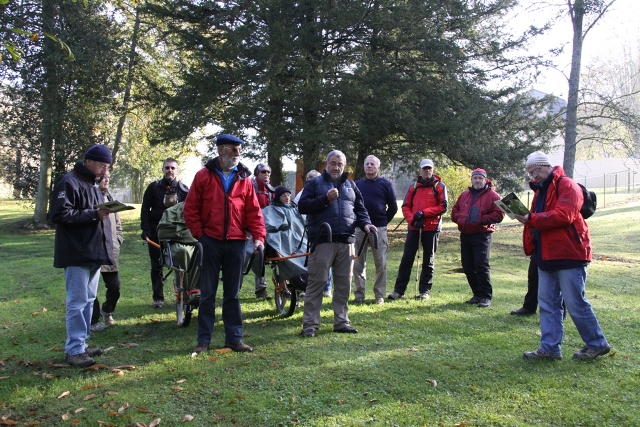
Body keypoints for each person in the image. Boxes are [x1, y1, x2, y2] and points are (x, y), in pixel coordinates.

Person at [515, 151, 610, 360]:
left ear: (546, 165)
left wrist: (531, 217)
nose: (534, 176)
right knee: (547, 303)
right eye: (531, 172)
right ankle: (549, 347)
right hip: (546, 254)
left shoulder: (567, 185)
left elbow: (563, 216)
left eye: (536, 170)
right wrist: (527, 219)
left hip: (569, 254)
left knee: (575, 302)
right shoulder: (540, 190)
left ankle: (597, 343)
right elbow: (537, 219)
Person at [183, 134, 265, 354]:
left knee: (233, 294)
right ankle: (203, 341)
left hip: (237, 242)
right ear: (221, 150)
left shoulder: (245, 179)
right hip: (210, 242)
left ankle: (234, 339)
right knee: (207, 293)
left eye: (239, 150)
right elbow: (190, 210)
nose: (238, 154)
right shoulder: (203, 176)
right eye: (233, 149)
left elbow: (254, 212)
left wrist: (259, 237)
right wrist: (201, 236)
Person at [297, 150, 376, 337]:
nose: (336, 167)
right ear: (326, 164)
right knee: (317, 282)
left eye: (340, 164)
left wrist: (365, 224)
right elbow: (303, 206)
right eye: (333, 163)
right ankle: (310, 325)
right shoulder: (315, 183)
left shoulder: (351, 185)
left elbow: (360, 209)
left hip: (347, 240)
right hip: (323, 241)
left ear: (344, 166)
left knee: (343, 284)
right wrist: (325, 199)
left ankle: (341, 321)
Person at [50, 144, 114, 367]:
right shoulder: (70, 182)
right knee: (77, 302)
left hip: (93, 251)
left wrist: (103, 196)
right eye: (101, 166)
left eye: (107, 167)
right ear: (88, 162)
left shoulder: (93, 184)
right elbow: (59, 214)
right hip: (76, 252)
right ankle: (74, 349)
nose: (104, 171)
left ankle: (81, 344)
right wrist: (94, 214)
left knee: (88, 301)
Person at [388, 159, 447, 300]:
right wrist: (413, 219)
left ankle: (424, 291)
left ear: (432, 170)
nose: (427, 171)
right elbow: (406, 207)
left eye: (429, 168)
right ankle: (398, 291)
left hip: (432, 228)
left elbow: (443, 207)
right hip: (414, 228)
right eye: (424, 168)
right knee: (407, 259)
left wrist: (424, 213)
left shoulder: (439, 186)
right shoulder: (413, 187)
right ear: (420, 170)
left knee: (428, 260)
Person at [451, 168, 504, 308]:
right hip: (465, 234)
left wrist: (480, 219)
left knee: (481, 266)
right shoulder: (464, 195)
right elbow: (455, 211)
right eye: (475, 178)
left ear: (485, 179)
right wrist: (461, 219)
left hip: (482, 234)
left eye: (480, 178)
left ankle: (486, 296)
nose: (478, 180)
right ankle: (477, 294)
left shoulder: (493, 196)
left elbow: (499, 214)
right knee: (467, 266)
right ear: (471, 179)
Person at [140, 158, 189, 308]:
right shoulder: (153, 187)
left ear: (177, 170)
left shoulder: (183, 189)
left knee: (180, 263)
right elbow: (145, 210)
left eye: (173, 168)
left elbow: (189, 212)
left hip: (176, 233)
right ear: (163, 169)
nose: (170, 170)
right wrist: (145, 229)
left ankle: (182, 293)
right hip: (155, 233)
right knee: (156, 266)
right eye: (167, 168)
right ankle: (158, 298)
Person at [352, 155, 397, 305]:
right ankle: (359, 295)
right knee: (358, 264)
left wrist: (382, 223)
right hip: (359, 229)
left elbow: (393, 207)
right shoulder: (357, 184)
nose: (369, 167)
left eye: (372, 164)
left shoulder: (385, 184)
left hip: (379, 229)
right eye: (367, 164)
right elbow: (353, 207)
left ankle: (379, 295)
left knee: (381, 263)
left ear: (378, 167)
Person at [90, 171, 123, 331]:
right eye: (104, 177)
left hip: (110, 250)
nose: (107, 180)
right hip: (94, 249)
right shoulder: (90, 197)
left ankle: (106, 310)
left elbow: (117, 224)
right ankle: (93, 320)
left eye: (109, 177)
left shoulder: (110, 199)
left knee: (114, 287)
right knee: (91, 288)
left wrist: (118, 239)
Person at [294, 169, 332, 298]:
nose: (312, 182)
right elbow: (297, 210)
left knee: (327, 261)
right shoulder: (301, 195)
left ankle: (327, 288)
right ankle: (307, 285)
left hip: (323, 231)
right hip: (304, 230)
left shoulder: (327, 192)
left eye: (315, 179)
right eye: (309, 180)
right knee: (310, 259)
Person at [252, 163, 275, 299]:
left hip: (270, 228)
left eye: (268, 172)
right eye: (263, 171)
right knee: (254, 256)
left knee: (274, 256)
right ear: (257, 173)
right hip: (253, 228)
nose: (266, 174)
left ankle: (280, 286)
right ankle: (259, 289)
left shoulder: (272, 190)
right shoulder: (251, 187)